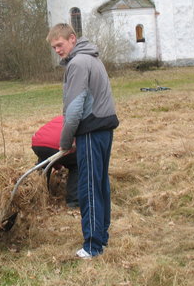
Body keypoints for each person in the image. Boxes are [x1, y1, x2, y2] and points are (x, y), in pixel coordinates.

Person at [46, 23, 119, 259]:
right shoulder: (93, 59)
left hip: (90, 130)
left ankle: (92, 245)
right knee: (99, 184)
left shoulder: (78, 63)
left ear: (72, 39)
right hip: (104, 128)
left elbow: (75, 108)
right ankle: (102, 237)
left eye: (60, 44)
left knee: (88, 188)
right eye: (54, 47)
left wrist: (66, 141)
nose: (57, 50)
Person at [31, 115, 79, 208]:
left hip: (38, 143)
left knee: (44, 162)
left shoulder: (61, 117)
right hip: (58, 145)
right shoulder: (79, 120)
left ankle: (40, 195)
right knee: (76, 165)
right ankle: (73, 200)